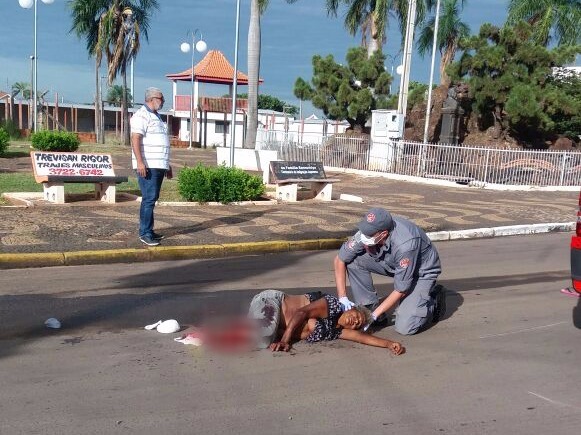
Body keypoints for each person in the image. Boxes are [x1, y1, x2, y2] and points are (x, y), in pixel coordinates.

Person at [334, 207, 444, 335]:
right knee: (354, 261)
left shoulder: (405, 245)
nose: (363, 236)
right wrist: (342, 297)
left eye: (369, 234)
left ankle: (432, 300)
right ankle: (369, 307)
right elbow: (340, 259)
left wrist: (373, 316)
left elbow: (401, 290)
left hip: (420, 272)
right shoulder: (366, 233)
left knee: (405, 327)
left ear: (383, 233)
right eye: (364, 231)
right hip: (393, 263)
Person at [248, 289, 404, 355]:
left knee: (264, 339)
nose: (355, 320)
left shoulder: (336, 330)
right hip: (271, 302)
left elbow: (362, 338)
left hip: (275, 326)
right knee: (263, 338)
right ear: (350, 309)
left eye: (357, 324)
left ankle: (252, 326)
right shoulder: (332, 304)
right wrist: (284, 341)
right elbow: (301, 312)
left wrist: (389, 344)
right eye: (357, 315)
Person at [130, 87, 172, 246]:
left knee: (152, 198)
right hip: (148, 165)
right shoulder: (141, 115)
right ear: (152, 99)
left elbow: (163, 142)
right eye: (161, 99)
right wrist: (140, 162)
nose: (163, 102)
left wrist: (167, 165)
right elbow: (136, 139)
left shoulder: (157, 117)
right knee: (149, 198)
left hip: (159, 164)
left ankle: (150, 230)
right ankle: (144, 233)